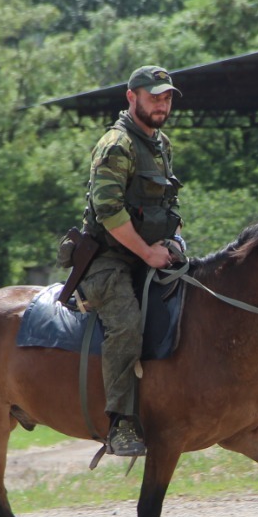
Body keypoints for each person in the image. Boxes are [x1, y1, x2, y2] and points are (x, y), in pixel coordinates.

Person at [78, 64, 185, 456]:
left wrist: (173, 240)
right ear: (131, 97)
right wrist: (149, 252)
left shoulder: (161, 144)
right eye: (154, 97)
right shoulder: (116, 145)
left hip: (151, 252)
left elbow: (168, 203)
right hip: (108, 259)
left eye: (167, 97)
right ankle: (120, 424)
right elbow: (108, 211)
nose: (162, 104)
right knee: (126, 325)